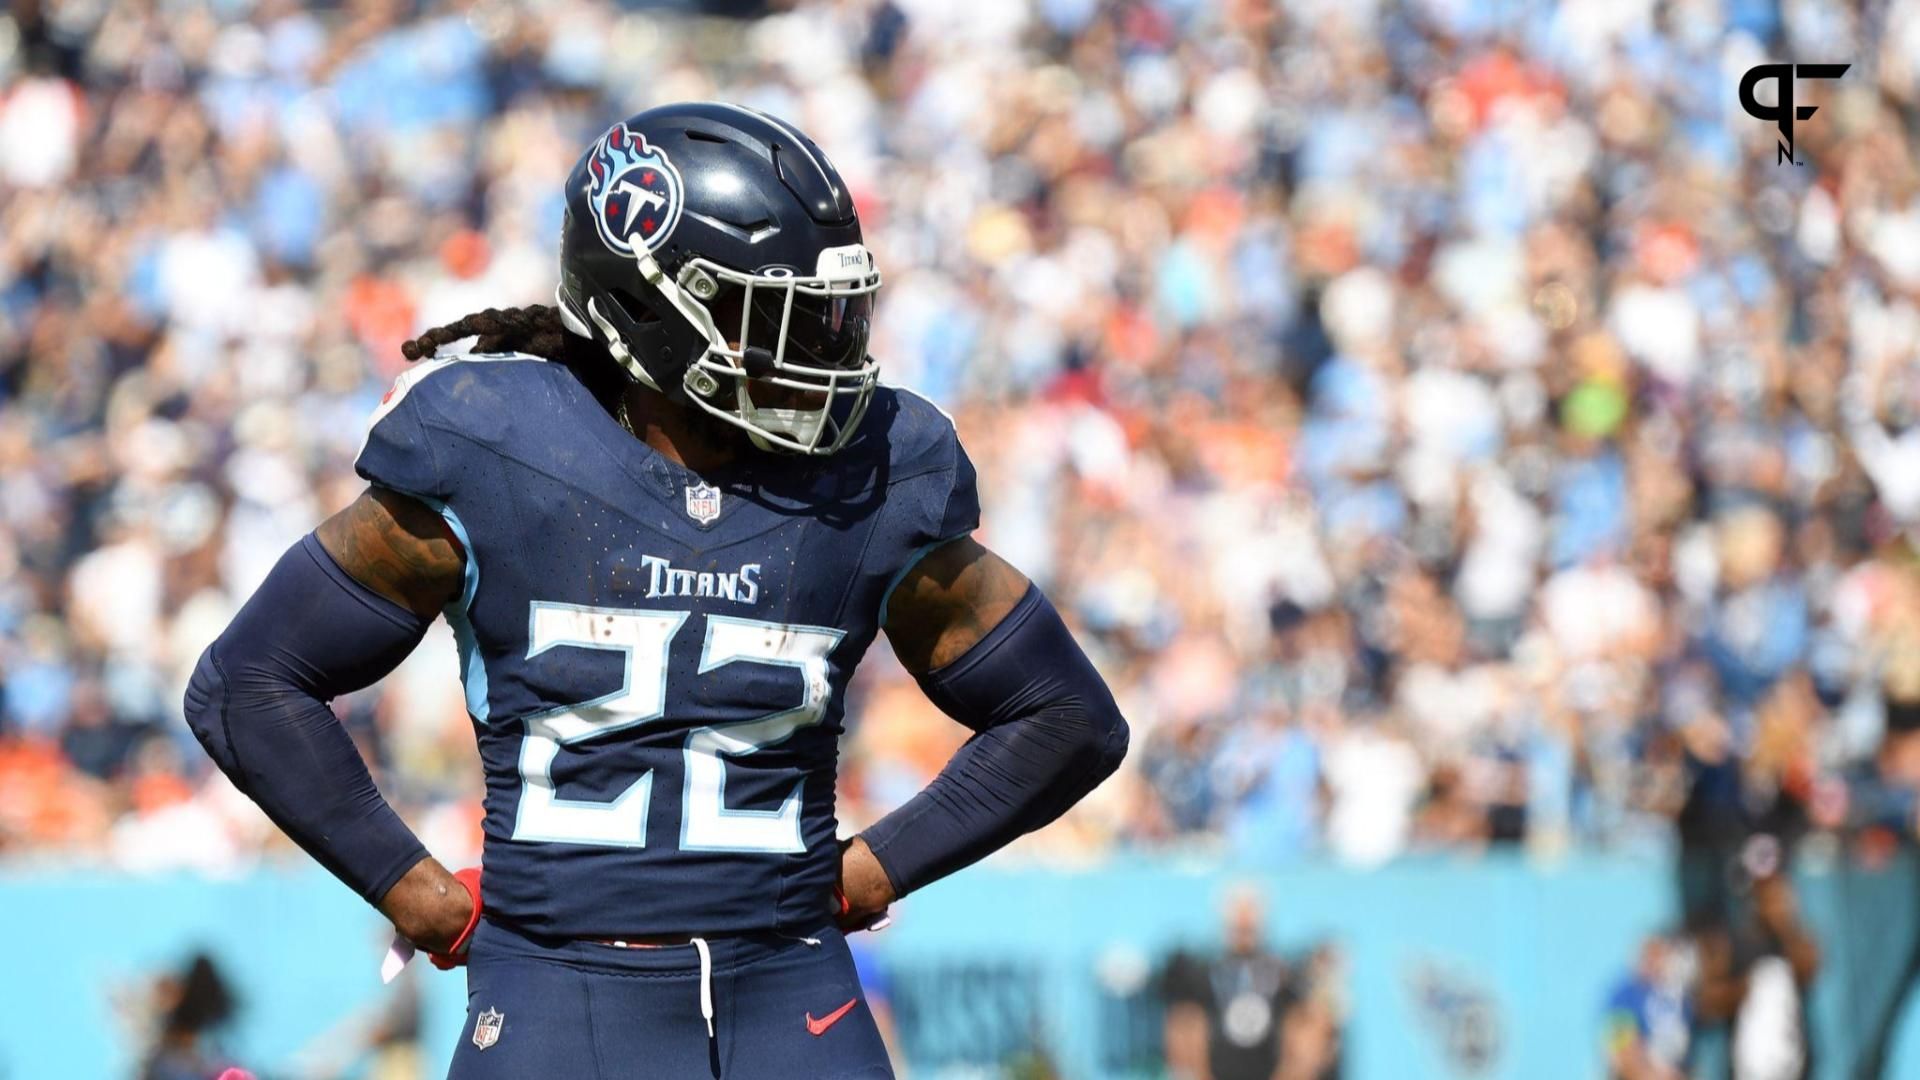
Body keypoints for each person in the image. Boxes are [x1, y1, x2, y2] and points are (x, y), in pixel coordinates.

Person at [181, 102, 1129, 1079]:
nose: (827, 351)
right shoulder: (495, 446)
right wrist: (413, 891)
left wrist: (881, 864)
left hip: (787, 992)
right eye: (785, 316)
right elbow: (248, 683)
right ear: (654, 314)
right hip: (561, 997)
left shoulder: (880, 469)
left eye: (835, 314)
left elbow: (1066, 717)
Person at [1162, 886, 1342, 1080]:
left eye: (1249, 920)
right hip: (1215, 1064)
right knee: (1184, 1019)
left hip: (1273, 1063)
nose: (1243, 922)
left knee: (1311, 1021)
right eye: (1238, 919)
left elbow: (1315, 1011)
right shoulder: (1203, 970)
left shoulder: (1283, 970)